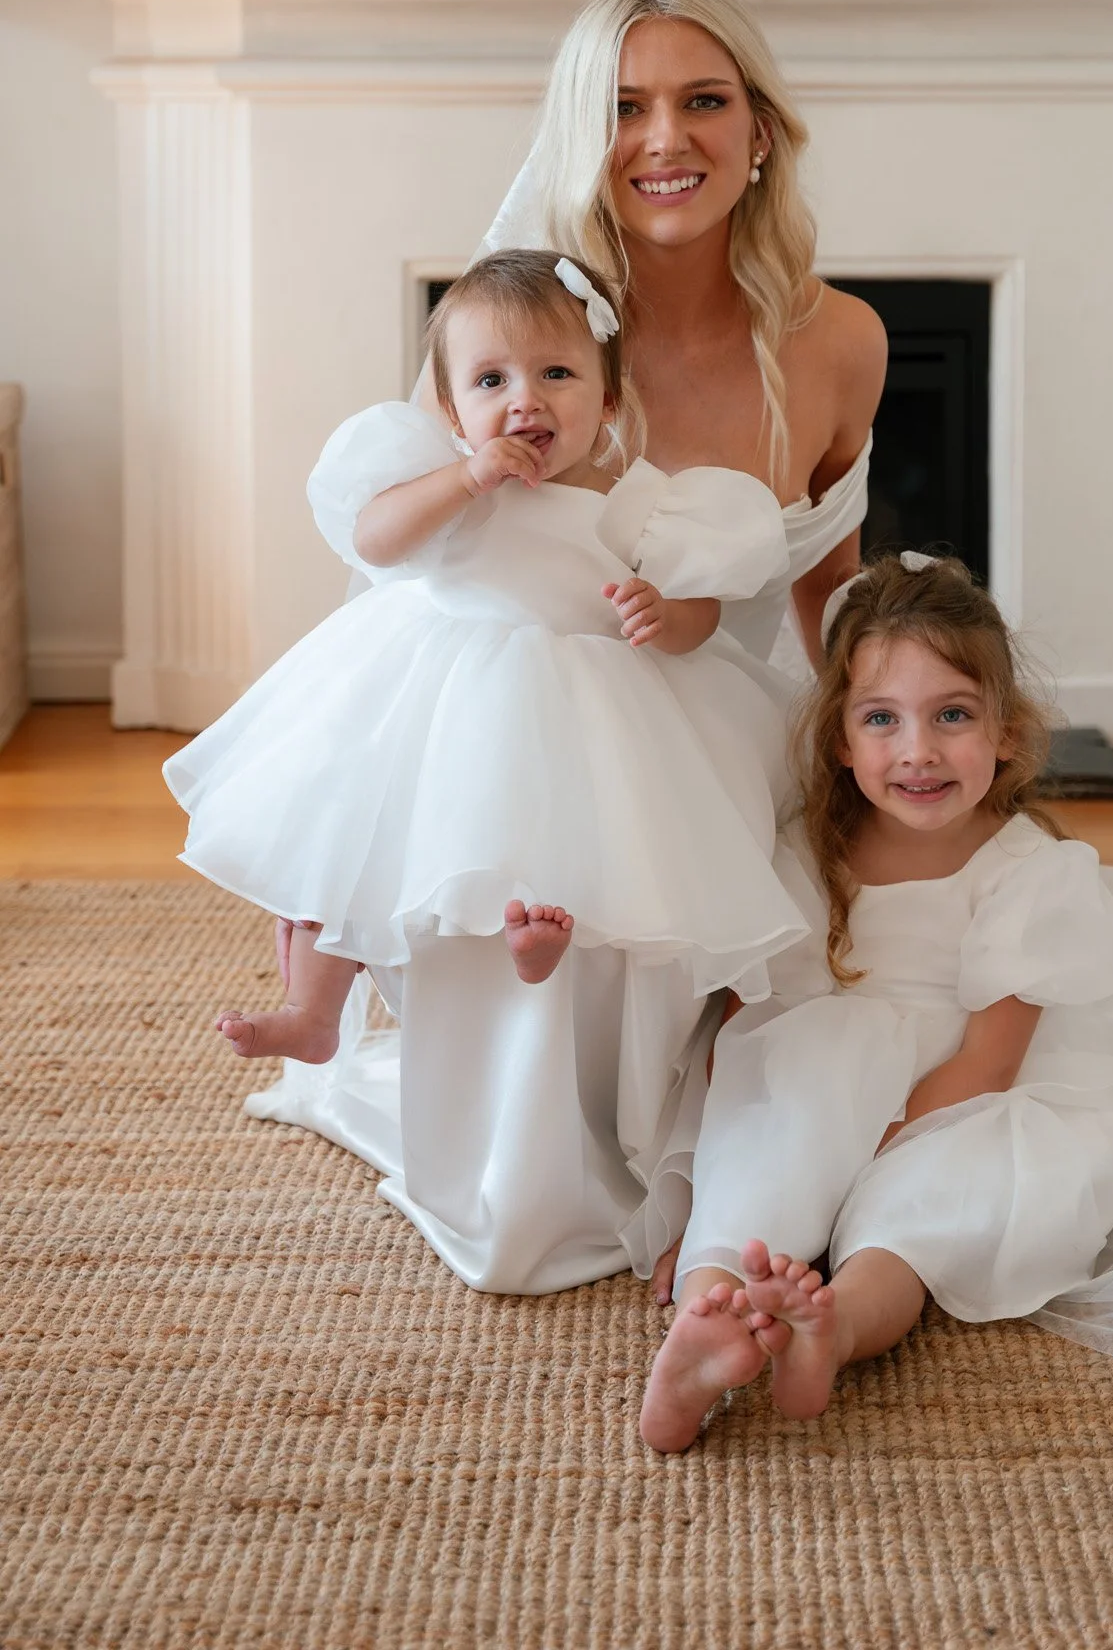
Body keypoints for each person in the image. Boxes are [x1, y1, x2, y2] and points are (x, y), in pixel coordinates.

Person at [227, 0, 889, 1295]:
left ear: (760, 129)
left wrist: (865, 767)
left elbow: (829, 582)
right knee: (539, 880)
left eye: (703, 101)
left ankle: (699, 1182)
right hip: (514, 712)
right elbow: (419, 568)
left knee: (819, 1005)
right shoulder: (520, 328)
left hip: (699, 706)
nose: (663, 140)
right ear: (581, 133)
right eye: (624, 107)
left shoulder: (840, 342)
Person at [641, 554, 1113, 1450]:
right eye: (881, 719)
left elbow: (989, 1062)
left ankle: (834, 1328)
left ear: (1008, 733)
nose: (918, 750)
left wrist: (865, 1163)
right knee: (775, 1126)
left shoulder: (1028, 871)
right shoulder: (805, 850)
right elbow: (748, 1035)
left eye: (952, 715)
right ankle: (706, 1311)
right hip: (830, 1061)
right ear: (839, 739)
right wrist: (706, 1198)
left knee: (934, 1208)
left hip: (972, 1094)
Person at [166, 251, 807, 1083]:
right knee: (347, 826)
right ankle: (315, 1011)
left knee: (570, 818)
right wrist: (463, 480)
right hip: (426, 688)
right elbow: (375, 542)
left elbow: (702, 609)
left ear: (608, 398)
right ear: (450, 407)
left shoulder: (641, 503)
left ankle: (538, 943)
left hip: (586, 697)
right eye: (491, 381)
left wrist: (665, 613)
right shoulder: (444, 481)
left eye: (555, 374)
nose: (524, 401)